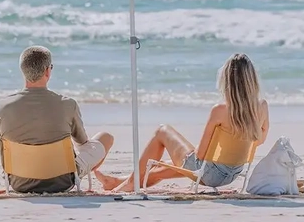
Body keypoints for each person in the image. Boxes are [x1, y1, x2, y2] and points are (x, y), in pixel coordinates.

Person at [97, 53, 269, 192]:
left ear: (227, 80)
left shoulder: (220, 110)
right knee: (180, 164)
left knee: (162, 131)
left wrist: (184, 153)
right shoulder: (262, 106)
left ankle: (131, 182)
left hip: (207, 174)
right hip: (235, 173)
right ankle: (121, 181)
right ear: (251, 80)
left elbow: (200, 155)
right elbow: (259, 140)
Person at [0, 45, 115, 193]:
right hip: (63, 181)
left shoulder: (2, 107)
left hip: (19, 182)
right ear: (47, 71)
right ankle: (81, 174)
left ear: (22, 71)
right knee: (106, 137)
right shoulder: (67, 104)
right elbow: (83, 143)